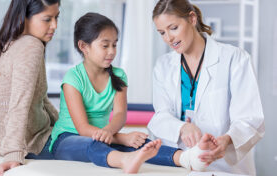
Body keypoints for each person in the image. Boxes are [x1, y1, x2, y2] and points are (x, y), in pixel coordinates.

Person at [49, 12, 218, 174]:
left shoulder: (119, 75)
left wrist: (111, 133)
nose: (111, 51)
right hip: (68, 139)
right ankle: (125, 160)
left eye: (114, 45)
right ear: (83, 46)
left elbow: (120, 115)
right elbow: (83, 129)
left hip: (104, 135)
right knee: (93, 145)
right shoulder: (73, 78)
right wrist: (120, 138)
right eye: (105, 45)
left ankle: (188, 158)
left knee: (142, 143)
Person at [147, 0, 265, 175]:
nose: (168, 38)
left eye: (173, 28)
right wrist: (182, 127)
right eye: (162, 33)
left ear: (192, 19)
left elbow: (249, 118)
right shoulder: (163, 66)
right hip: (182, 164)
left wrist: (227, 139)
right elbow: (161, 115)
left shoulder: (235, 59)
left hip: (224, 167)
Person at [0, 0, 60, 175]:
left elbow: (39, 99)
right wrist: (12, 154)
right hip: (25, 143)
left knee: (81, 131)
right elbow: (19, 102)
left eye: (57, 17)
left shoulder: (5, 43)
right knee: (93, 142)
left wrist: (63, 123)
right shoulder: (32, 46)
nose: (54, 25)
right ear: (24, 17)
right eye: (47, 19)